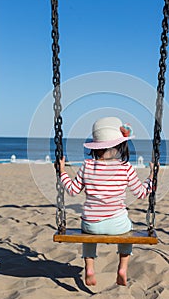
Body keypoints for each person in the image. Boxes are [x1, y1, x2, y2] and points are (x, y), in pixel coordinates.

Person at [59, 117, 154, 286]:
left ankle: (89, 268)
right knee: (129, 230)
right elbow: (141, 193)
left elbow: (72, 190)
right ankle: (122, 268)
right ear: (120, 147)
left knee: (87, 234)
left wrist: (62, 172)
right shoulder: (126, 168)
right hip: (118, 224)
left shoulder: (87, 166)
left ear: (97, 148)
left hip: (91, 224)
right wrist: (151, 178)